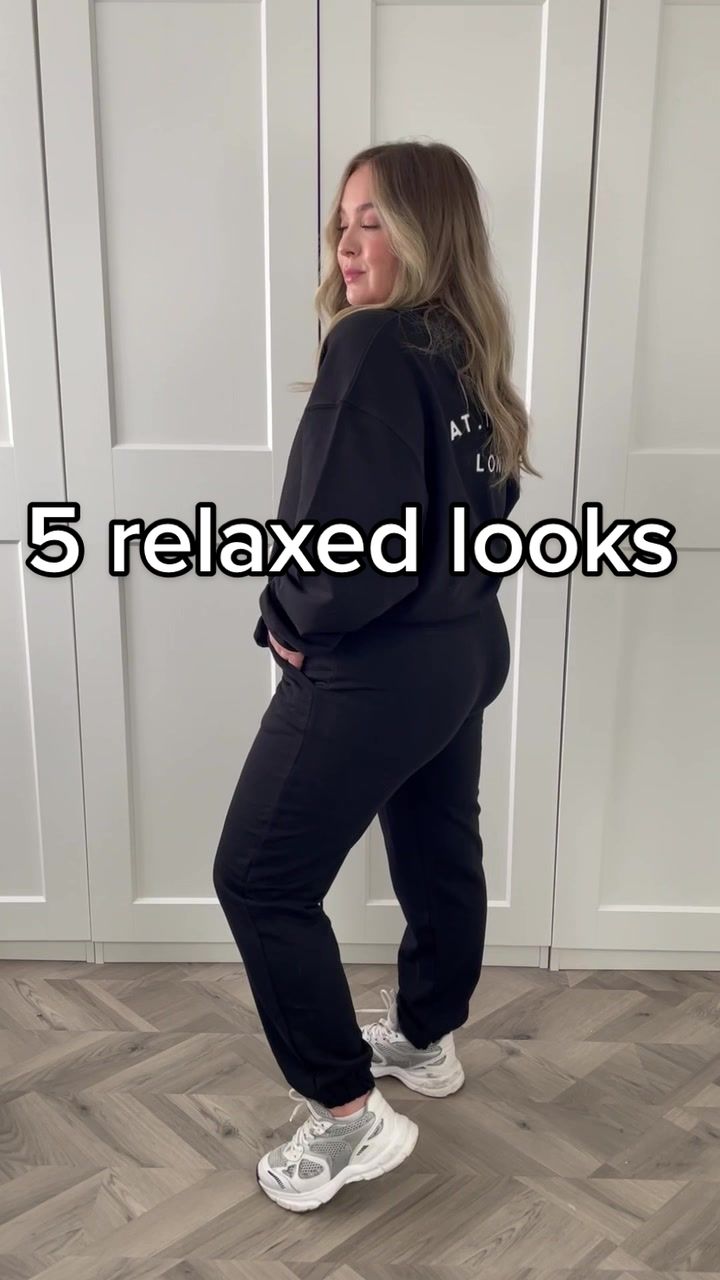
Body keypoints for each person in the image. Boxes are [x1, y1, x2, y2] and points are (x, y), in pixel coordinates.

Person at [213, 140, 540, 1212]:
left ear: (427, 232)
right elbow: (488, 512)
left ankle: (347, 1114)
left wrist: (287, 616)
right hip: (463, 648)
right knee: (437, 842)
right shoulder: (464, 345)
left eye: (374, 222)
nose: (348, 246)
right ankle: (425, 1036)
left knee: (258, 878)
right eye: (343, 224)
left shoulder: (372, 345)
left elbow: (345, 541)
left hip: (381, 663)